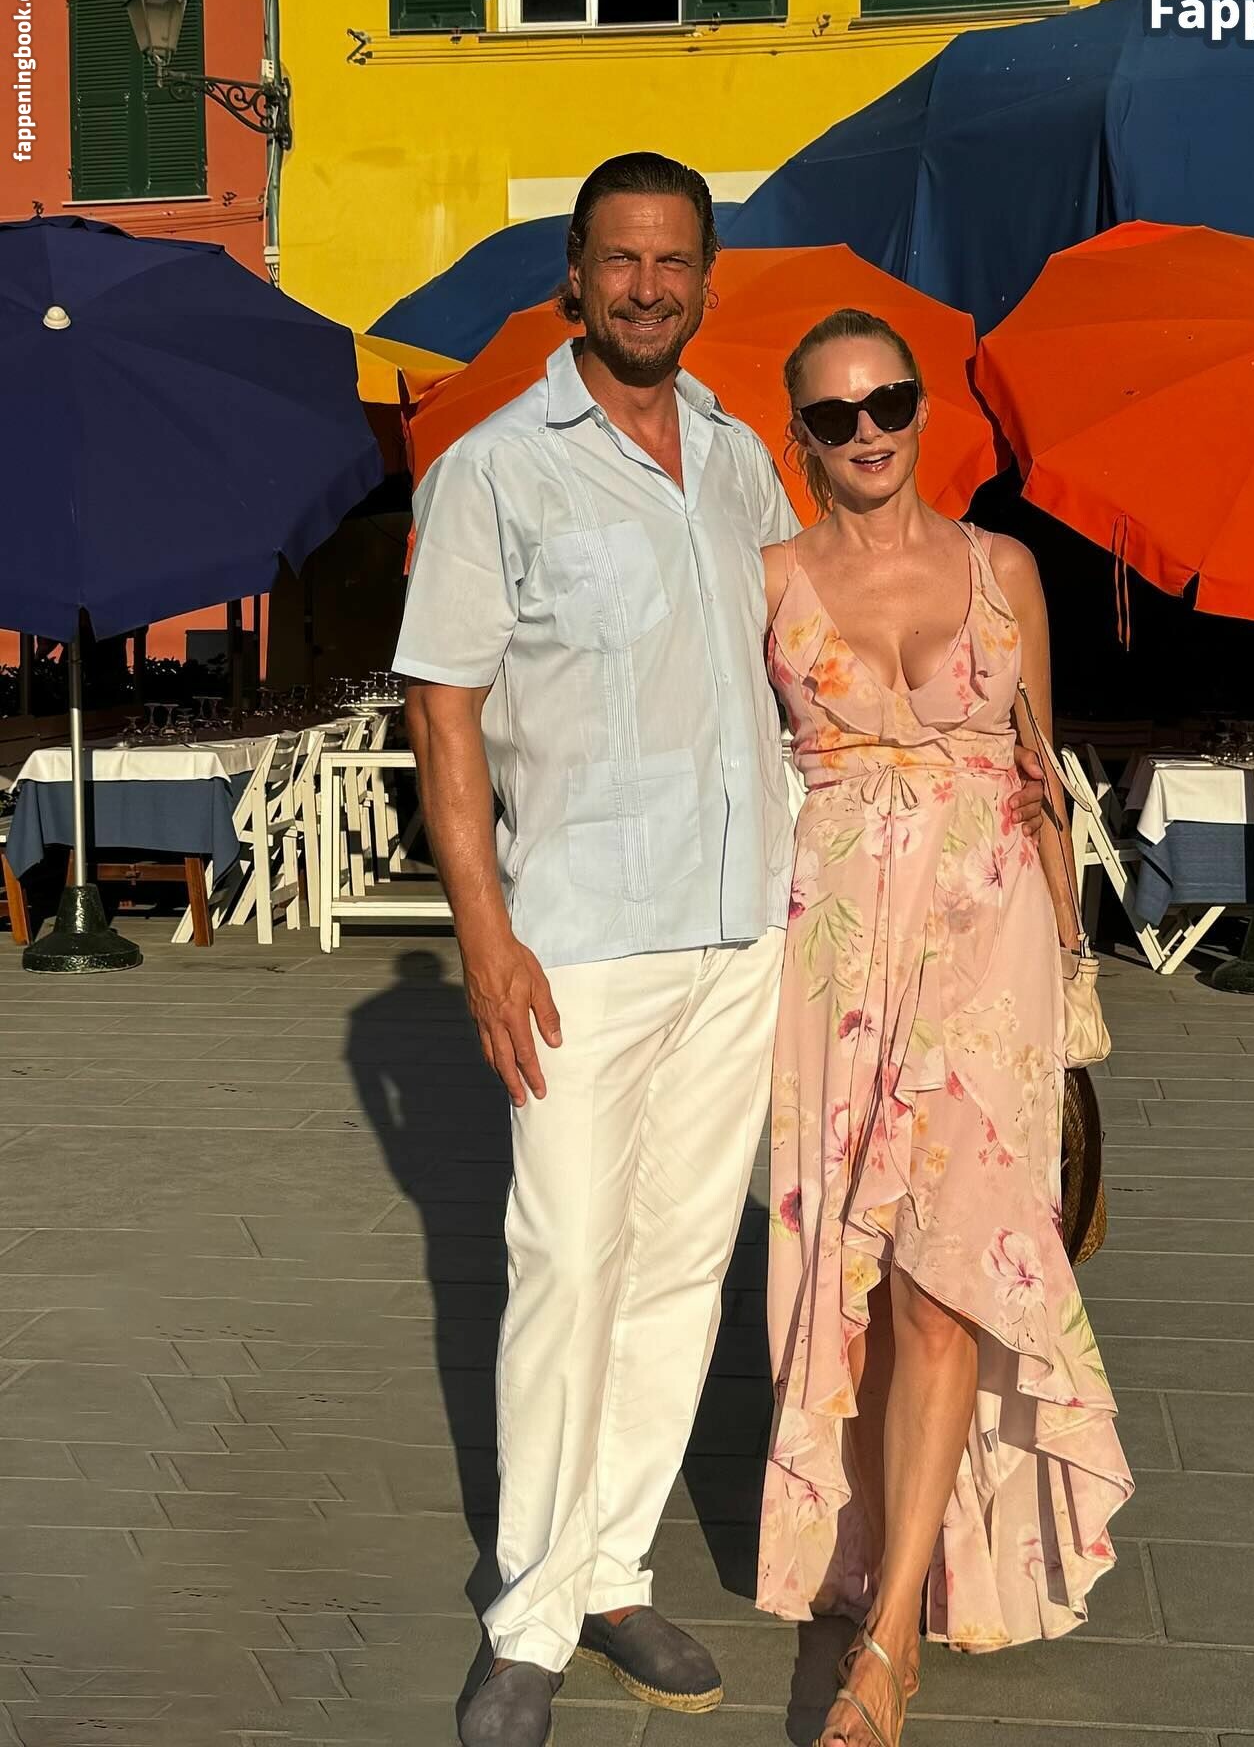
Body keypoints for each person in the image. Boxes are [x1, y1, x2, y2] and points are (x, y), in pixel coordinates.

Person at [394, 155, 1047, 1747]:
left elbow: (813, 649)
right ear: (574, 274)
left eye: (673, 260)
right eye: (618, 260)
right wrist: (483, 933)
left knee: (686, 1265)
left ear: (704, 278)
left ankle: (615, 1570)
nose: (645, 286)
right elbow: (443, 710)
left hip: (752, 929)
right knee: (566, 1260)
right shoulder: (492, 472)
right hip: (579, 937)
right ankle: (529, 1617)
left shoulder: (744, 462)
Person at [756, 309, 1134, 1747]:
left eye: (889, 402)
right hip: (836, 956)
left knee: (944, 1282)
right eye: (834, 415)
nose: (867, 433)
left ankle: (889, 1644)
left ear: (922, 411)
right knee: (853, 1277)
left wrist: (1073, 967)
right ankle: (892, 1583)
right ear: (801, 437)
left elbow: (1040, 771)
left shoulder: (1003, 568)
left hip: (990, 950)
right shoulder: (769, 580)